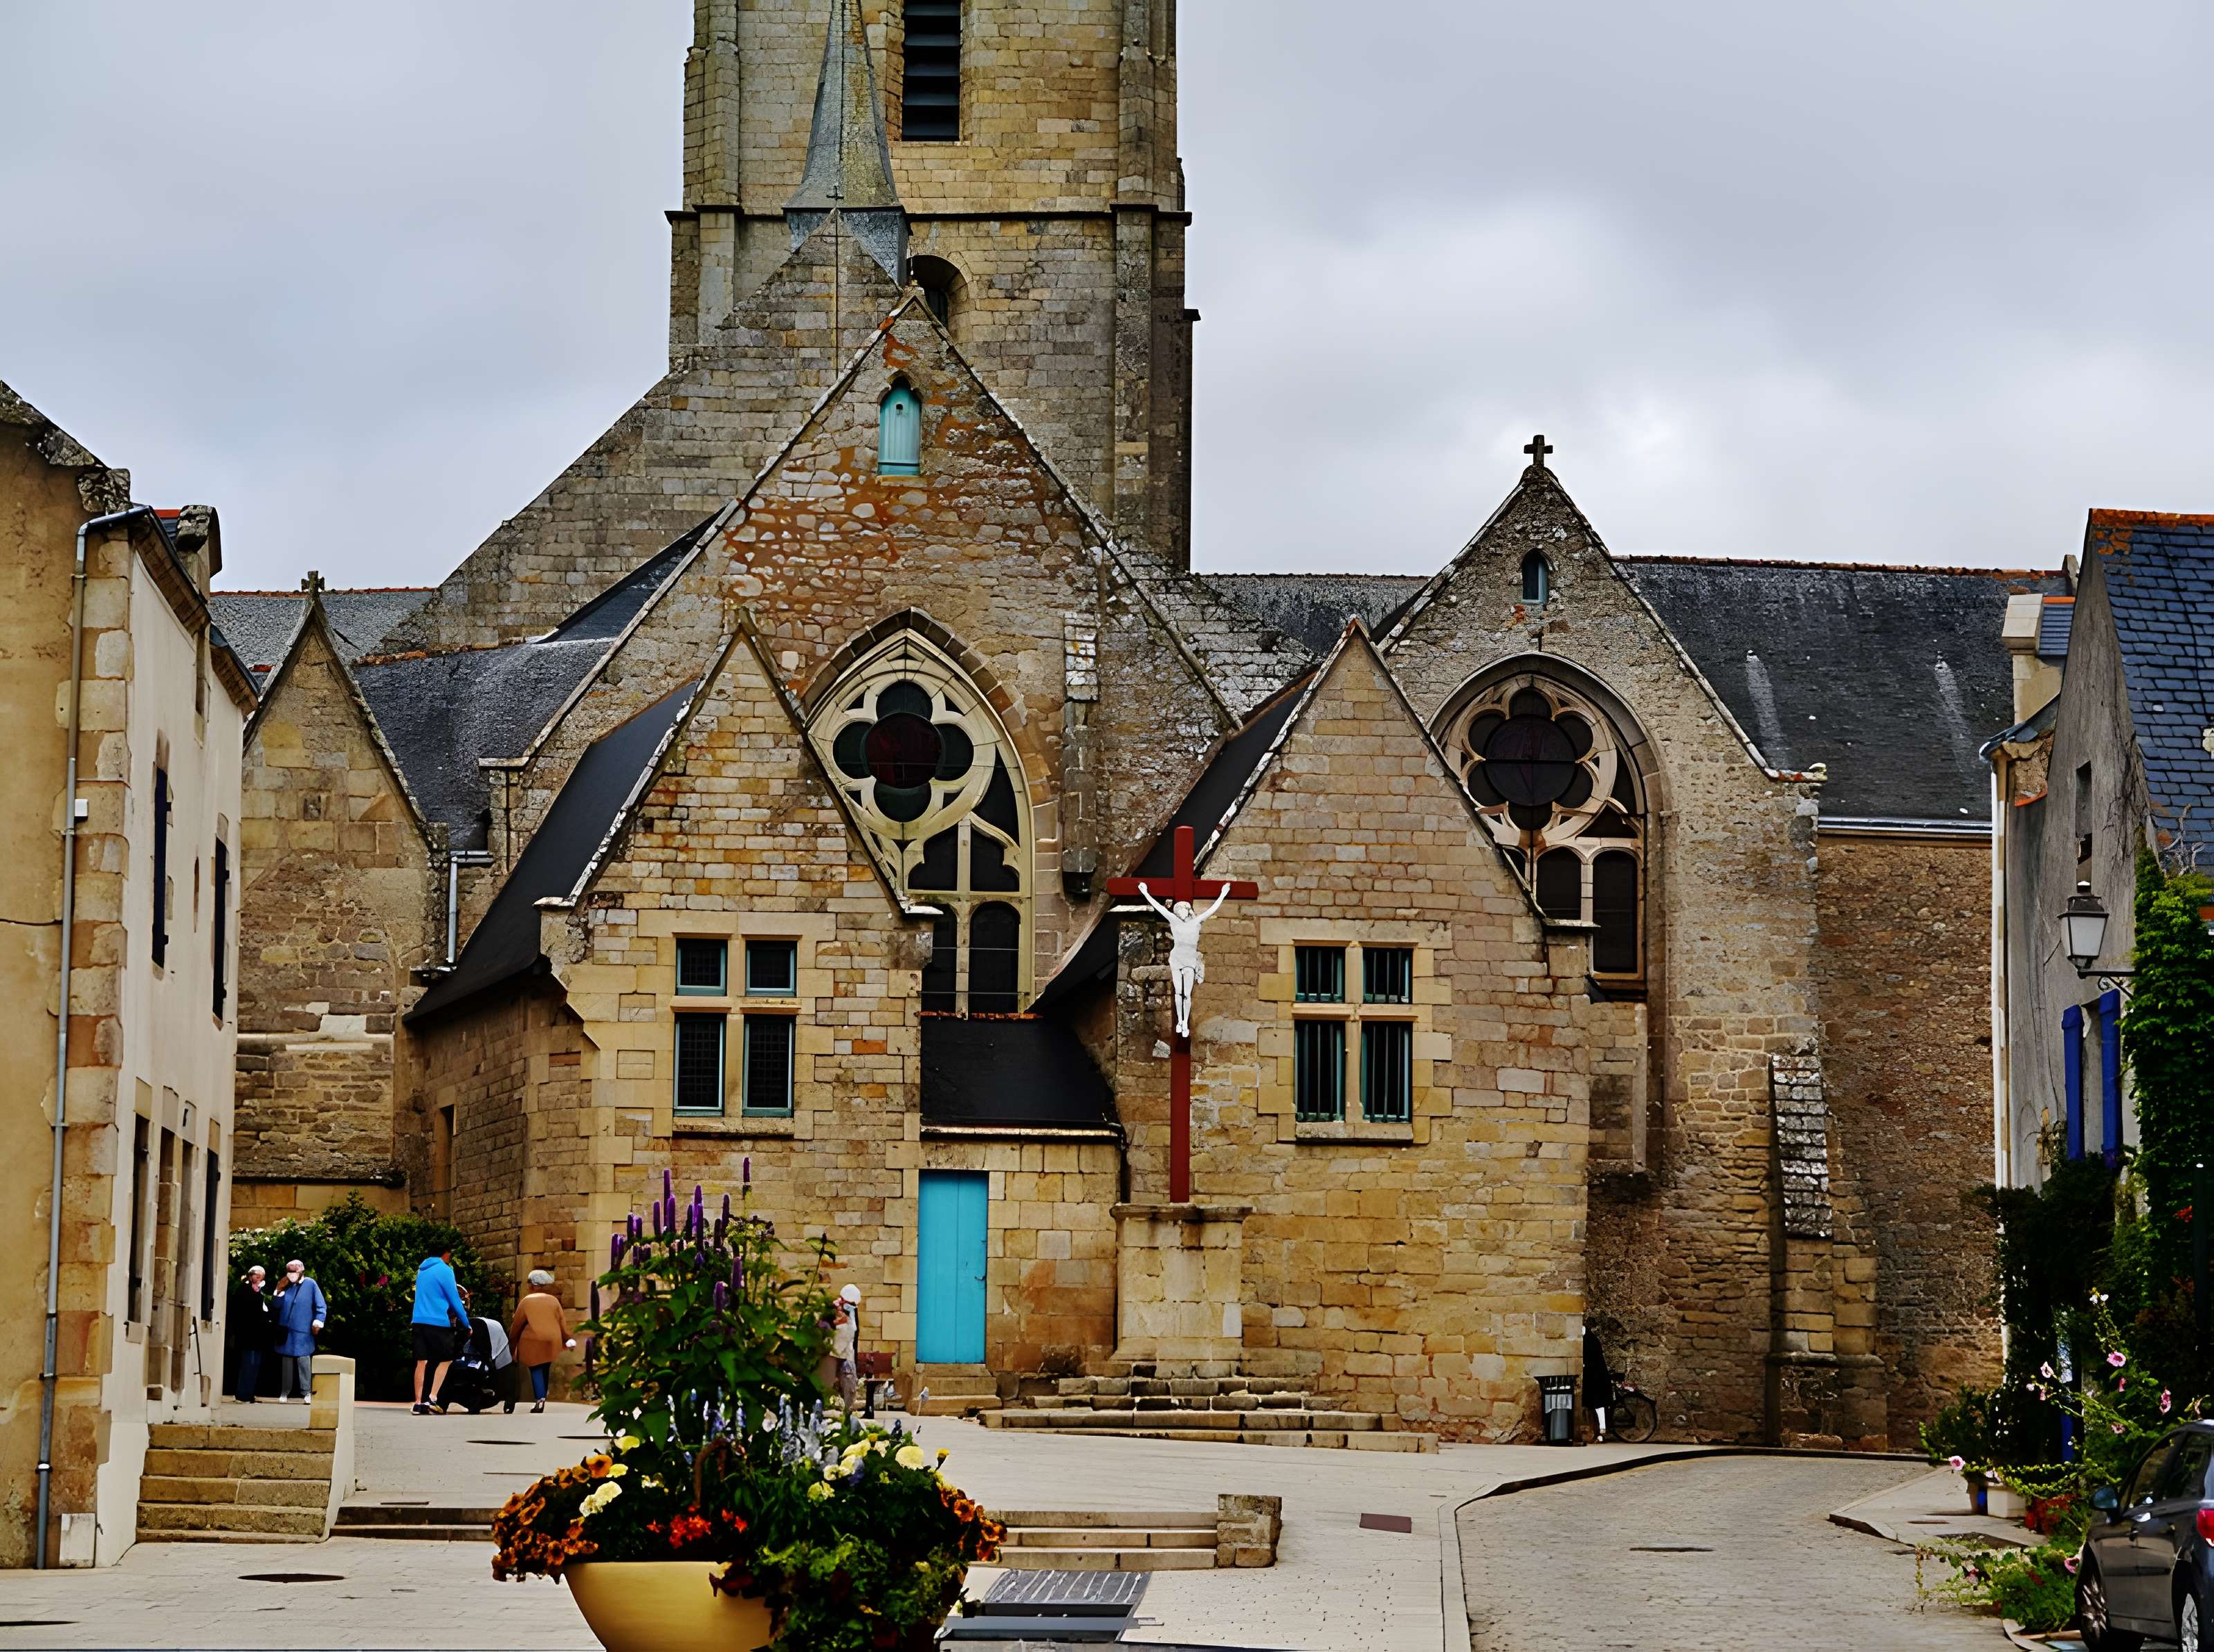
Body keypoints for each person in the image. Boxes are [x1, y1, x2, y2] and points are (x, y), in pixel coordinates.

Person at [410, 1246, 470, 1415]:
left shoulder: (421, 1270)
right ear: (445, 1253)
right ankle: (432, 1398)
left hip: (419, 1321)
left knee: (421, 1361)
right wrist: (466, 1324)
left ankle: (417, 1402)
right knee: (446, 1359)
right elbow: (455, 1300)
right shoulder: (445, 1270)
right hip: (438, 1322)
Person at [508, 1269, 575, 1413]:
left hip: (533, 1340)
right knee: (545, 1366)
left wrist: (512, 1345)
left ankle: (540, 1400)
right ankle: (543, 1396)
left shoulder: (526, 1302)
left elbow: (517, 1326)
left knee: (536, 1367)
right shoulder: (554, 1301)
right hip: (552, 1339)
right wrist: (567, 1338)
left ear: (532, 1285)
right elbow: (562, 1322)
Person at [268, 1259, 327, 1402]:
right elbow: (275, 1306)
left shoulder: (311, 1284)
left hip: (303, 1330)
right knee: (286, 1361)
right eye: (290, 1272)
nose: (292, 1275)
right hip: (286, 1329)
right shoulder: (286, 1285)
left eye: (294, 1272)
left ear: (301, 1272)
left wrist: (318, 1321)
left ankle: (306, 1391)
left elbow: (321, 1305)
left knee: (304, 1360)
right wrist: (279, 1290)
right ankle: (284, 1392)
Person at [226, 1265, 273, 1402]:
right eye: (257, 1276)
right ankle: (243, 1394)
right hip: (248, 1335)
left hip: (256, 1337)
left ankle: (248, 1392)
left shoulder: (260, 1292)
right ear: (250, 1276)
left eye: (261, 1277)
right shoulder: (245, 1290)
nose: (259, 1279)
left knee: (254, 1365)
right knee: (248, 1364)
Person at [1582, 1323, 1616, 1442]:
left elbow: (1589, 1359)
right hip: (1595, 1375)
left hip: (1596, 1376)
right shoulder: (1591, 1338)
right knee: (1596, 1404)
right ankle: (1599, 1431)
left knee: (1597, 1404)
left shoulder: (1589, 1340)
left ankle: (1601, 1430)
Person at [829, 1297, 859, 1415]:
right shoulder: (832, 1326)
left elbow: (847, 1337)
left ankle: (847, 1416)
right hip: (835, 1361)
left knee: (849, 1394)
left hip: (845, 1362)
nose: (839, 1313)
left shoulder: (847, 1325)